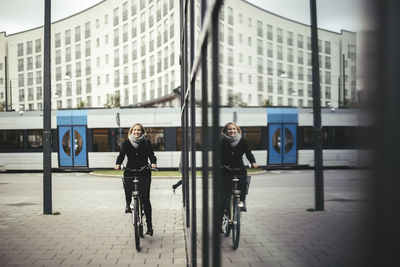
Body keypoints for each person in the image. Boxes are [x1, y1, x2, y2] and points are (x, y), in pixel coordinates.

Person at [115, 123, 157, 236]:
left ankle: (149, 226)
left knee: (146, 199)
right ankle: (128, 204)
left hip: (144, 171)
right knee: (127, 186)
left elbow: (151, 155)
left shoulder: (146, 143)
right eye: (134, 130)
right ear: (131, 131)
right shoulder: (127, 143)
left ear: (142, 132)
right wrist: (118, 163)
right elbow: (121, 155)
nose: (136, 132)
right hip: (130, 170)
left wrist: (153, 163)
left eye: (139, 130)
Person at [220, 122, 258, 212]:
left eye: (234, 129)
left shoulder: (242, 140)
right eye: (229, 129)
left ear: (237, 130)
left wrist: (253, 162)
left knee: (243, 183)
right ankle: (223, 207)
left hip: (239, 167)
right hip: (225, 167)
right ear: (225, 131)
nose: (232, 131)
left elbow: (248, 153)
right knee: (224, 188)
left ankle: (242, 201)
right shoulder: (221, 141)